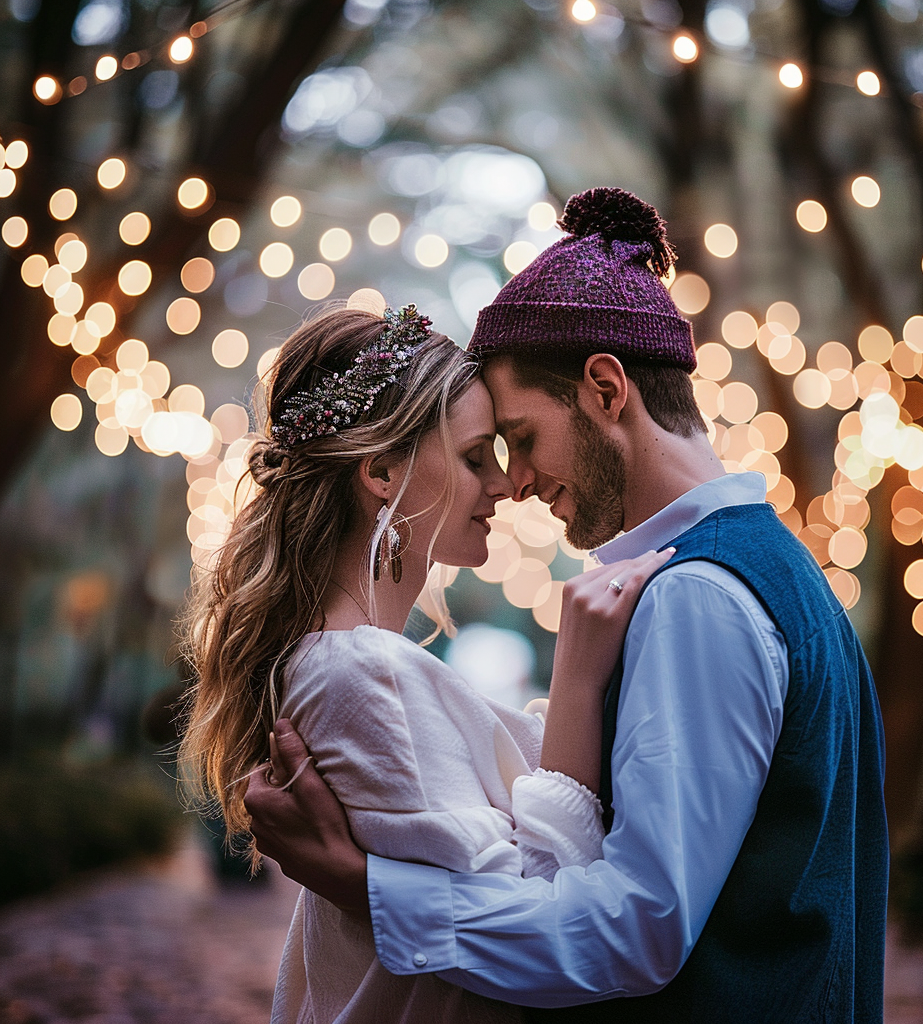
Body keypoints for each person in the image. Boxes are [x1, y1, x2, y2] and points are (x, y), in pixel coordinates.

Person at [245, 188, 890, 1022]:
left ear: (605, 390)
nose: (514, 481)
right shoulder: (780, 573)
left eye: (517, 437)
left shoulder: (697, 599)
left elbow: (632, 930)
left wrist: (366, 887)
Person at [178, 302, 671, 1024]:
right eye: (475, 457)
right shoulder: (358, 673)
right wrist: (578, 673)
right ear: (381, 471)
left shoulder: (355, 665)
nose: (503, 486)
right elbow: (543, 916)